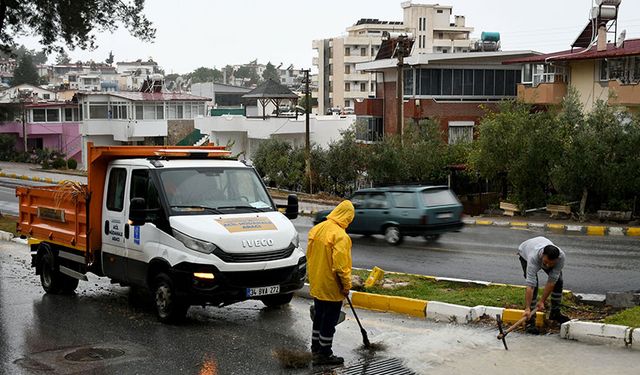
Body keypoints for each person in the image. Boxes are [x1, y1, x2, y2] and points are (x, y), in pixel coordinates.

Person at [307, 200, 354, 366]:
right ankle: (325, 354)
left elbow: (310, 256)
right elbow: (341, 267)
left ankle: (315, 348)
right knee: (329, 320)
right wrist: (346, 286)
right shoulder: (340, 236)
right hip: (332, 285)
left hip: (317, 282)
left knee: (319, 316)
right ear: (347, 217)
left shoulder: (317, 228)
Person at [518, 236, 570, 334]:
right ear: (542, 255)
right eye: (546, 262)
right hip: (525, 251)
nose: (547, 266)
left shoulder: (561, 257)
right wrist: (527, 308)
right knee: (535, 285)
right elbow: (530, 286)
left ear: (557, 259)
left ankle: (555, 312)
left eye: (551, 263)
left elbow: (552, 281)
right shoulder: (533, 258)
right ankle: (530, 320)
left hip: (540, 246)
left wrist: (542, 301)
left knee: (558, 280)